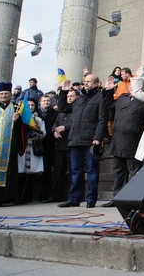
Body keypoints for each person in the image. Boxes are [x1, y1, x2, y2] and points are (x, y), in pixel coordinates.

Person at [56, 75, 107, 208]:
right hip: (75, 139)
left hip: (90, 140)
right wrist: (63, 92)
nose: (85, 84)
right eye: (84, 82)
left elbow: (102, 119)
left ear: (96, 84)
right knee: (75, 171)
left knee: (91, 171)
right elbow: (62, 108)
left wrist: (98, 137)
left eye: (88, 82)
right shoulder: (80, 99)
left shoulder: (99, 97)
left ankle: (91, 200)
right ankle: (74, 199)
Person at [100, 73, 144, 208]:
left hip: (133, 142)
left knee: (134, 172)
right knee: (118, 173)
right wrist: (109, 90)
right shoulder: (122, 98)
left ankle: (132, 199)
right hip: (118, 141)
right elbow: (108, 104)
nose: (133, 87)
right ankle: (117, 198)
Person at [45, 88, 78, 203]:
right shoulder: (62, 111)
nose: (69, 98)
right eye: (68, 96)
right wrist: (55, 131)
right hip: (59, 145)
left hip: (71, 144)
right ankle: (55, 195)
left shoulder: (77, 109)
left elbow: (76, 123)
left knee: (73, 171)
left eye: (72, 96)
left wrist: (65, 128)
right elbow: (55, 123)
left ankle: (72, 196)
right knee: (57, 172)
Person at [17, 98, 46, 204]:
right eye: (28, 105)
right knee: (20, 172)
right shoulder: (19, 118)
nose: (30, 107)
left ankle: (28, 196)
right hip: (22, 147)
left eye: (32, 105)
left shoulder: (38, 119)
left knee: (32, 174)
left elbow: (43, 134)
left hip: (33, 148)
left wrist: (36, 130)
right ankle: (18, 197)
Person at [37, 95, 58, 202]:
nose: (46, 102)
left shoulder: (55, 114)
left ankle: (45, 194)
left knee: (47, 170)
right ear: (40, 102)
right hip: (36, 144)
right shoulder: (36, 113)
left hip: (49, 145)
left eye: (48, 101)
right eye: (44, 101)